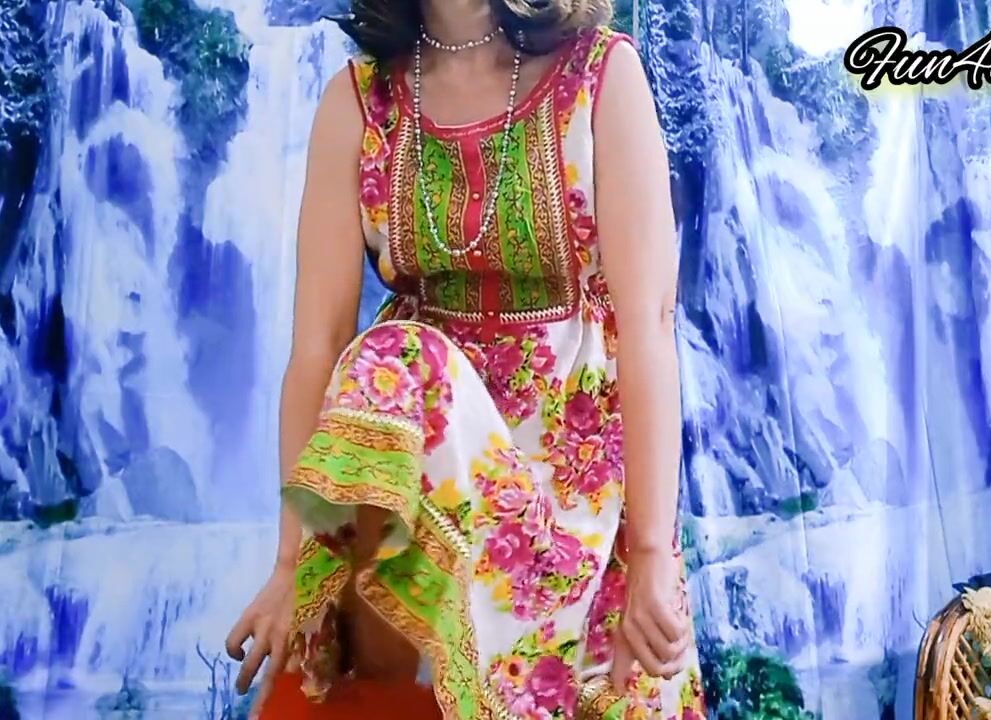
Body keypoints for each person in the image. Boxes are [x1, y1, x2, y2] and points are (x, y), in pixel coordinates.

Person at [223, 0, 706, 716]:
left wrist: (652, 554)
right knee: (391, 358)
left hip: (575, 474)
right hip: (416, 457)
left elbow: (649, 325)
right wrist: (290, 562)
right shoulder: (357, 102)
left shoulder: (602, 73)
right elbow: (316, 349)